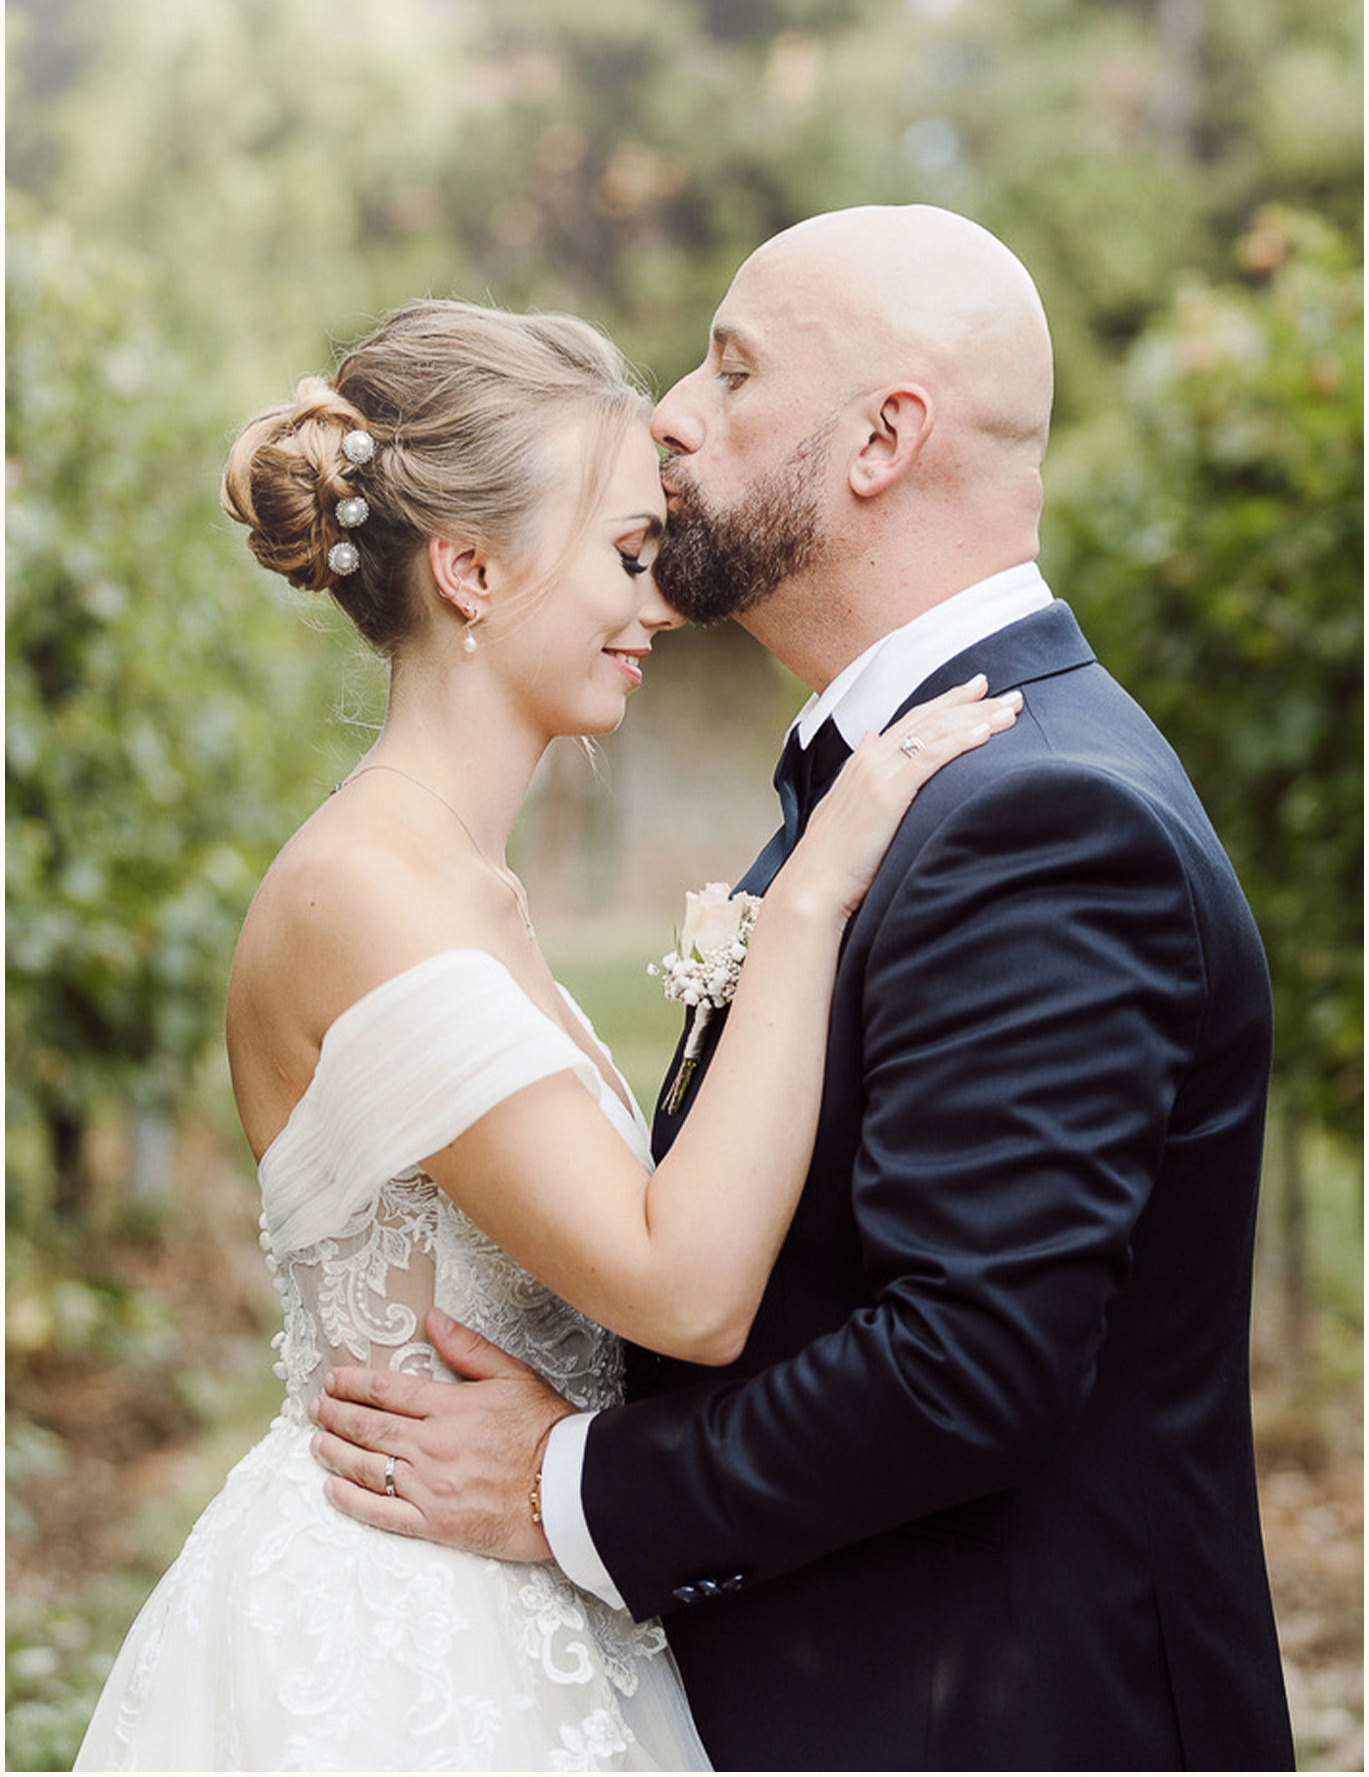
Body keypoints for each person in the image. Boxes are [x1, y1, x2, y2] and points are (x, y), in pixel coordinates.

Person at [311, 207, 1296, 1773]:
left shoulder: (1043, 816)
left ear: (881, 439)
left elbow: (968, 1368)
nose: (667, 417)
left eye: (731, 371)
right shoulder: (912, 791)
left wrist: (566, 1487)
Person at [73, 296, 1018, 1773]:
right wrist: (821, 888)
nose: (657, 607)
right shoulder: (361, 897)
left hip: (520, 1595)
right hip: (394, 1639)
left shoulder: (458, 888)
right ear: (470, 567)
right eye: (627, 558)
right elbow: (682, 1286)